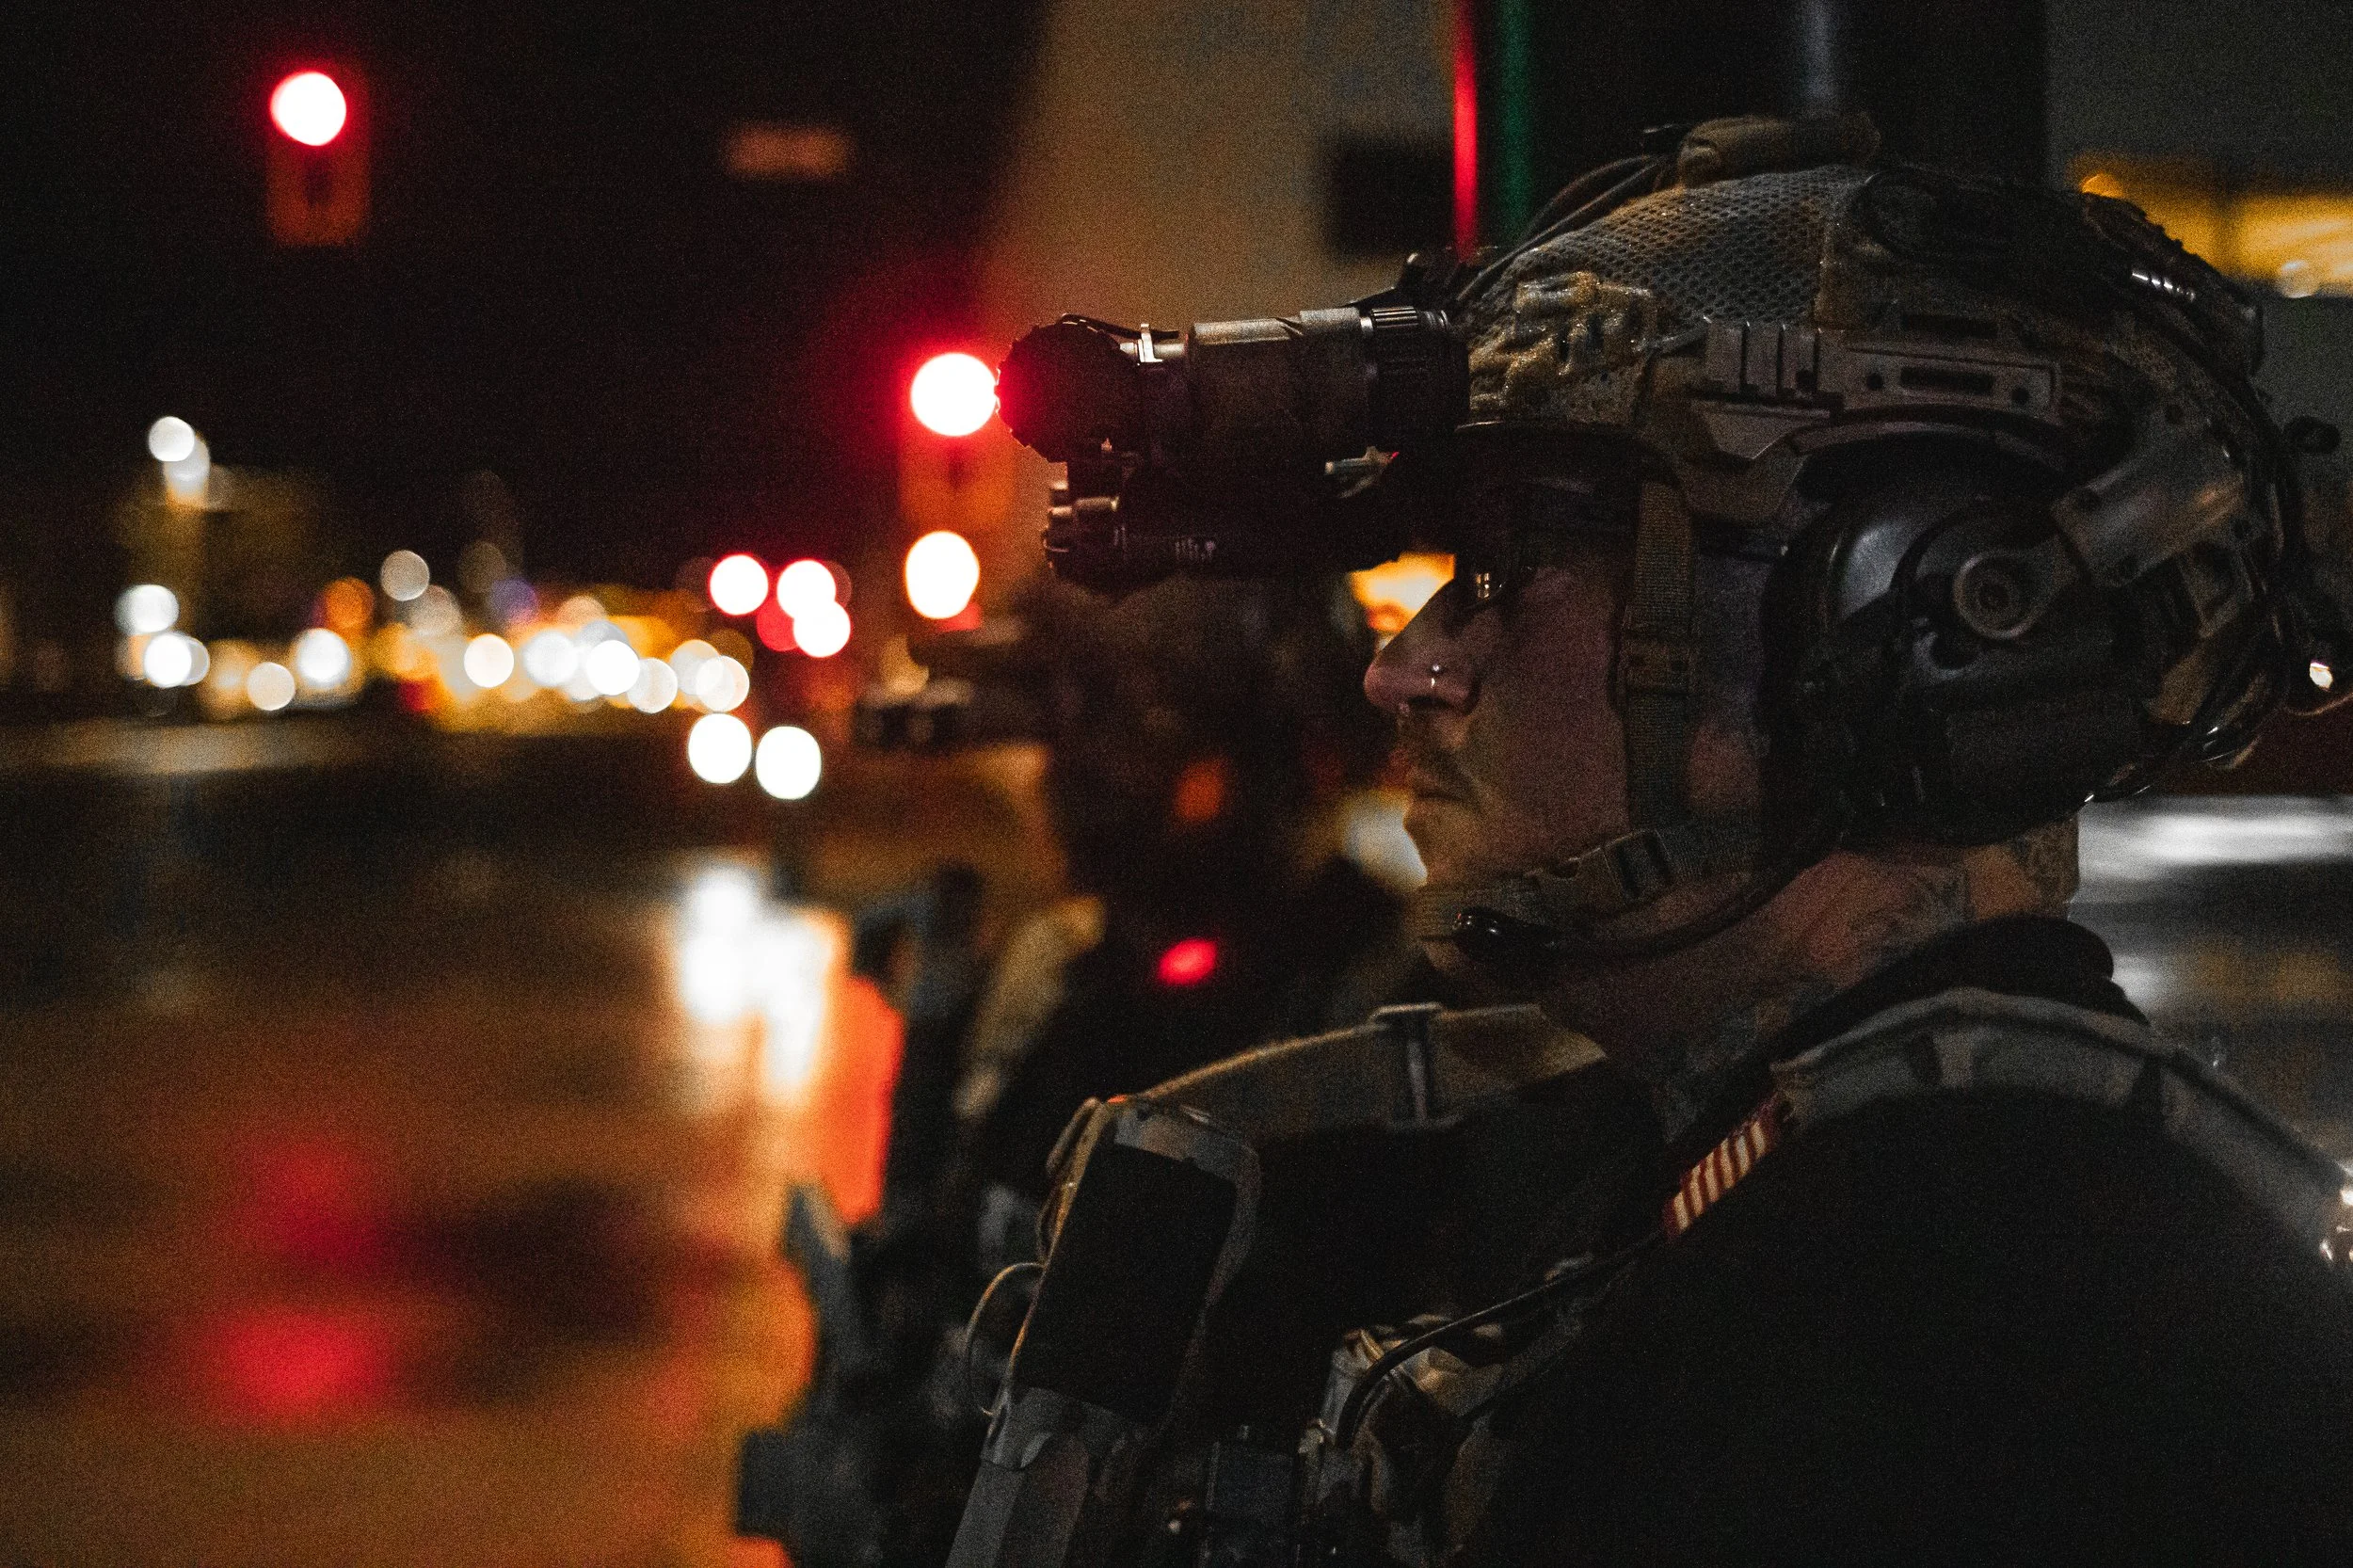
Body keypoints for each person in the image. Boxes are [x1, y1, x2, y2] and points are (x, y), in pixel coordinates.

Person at [959, 117, 2353, 1568]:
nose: (1409, 667)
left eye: (1514, 568)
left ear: (1891, 619)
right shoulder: (1851, 1188)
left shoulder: (1935, 1321)